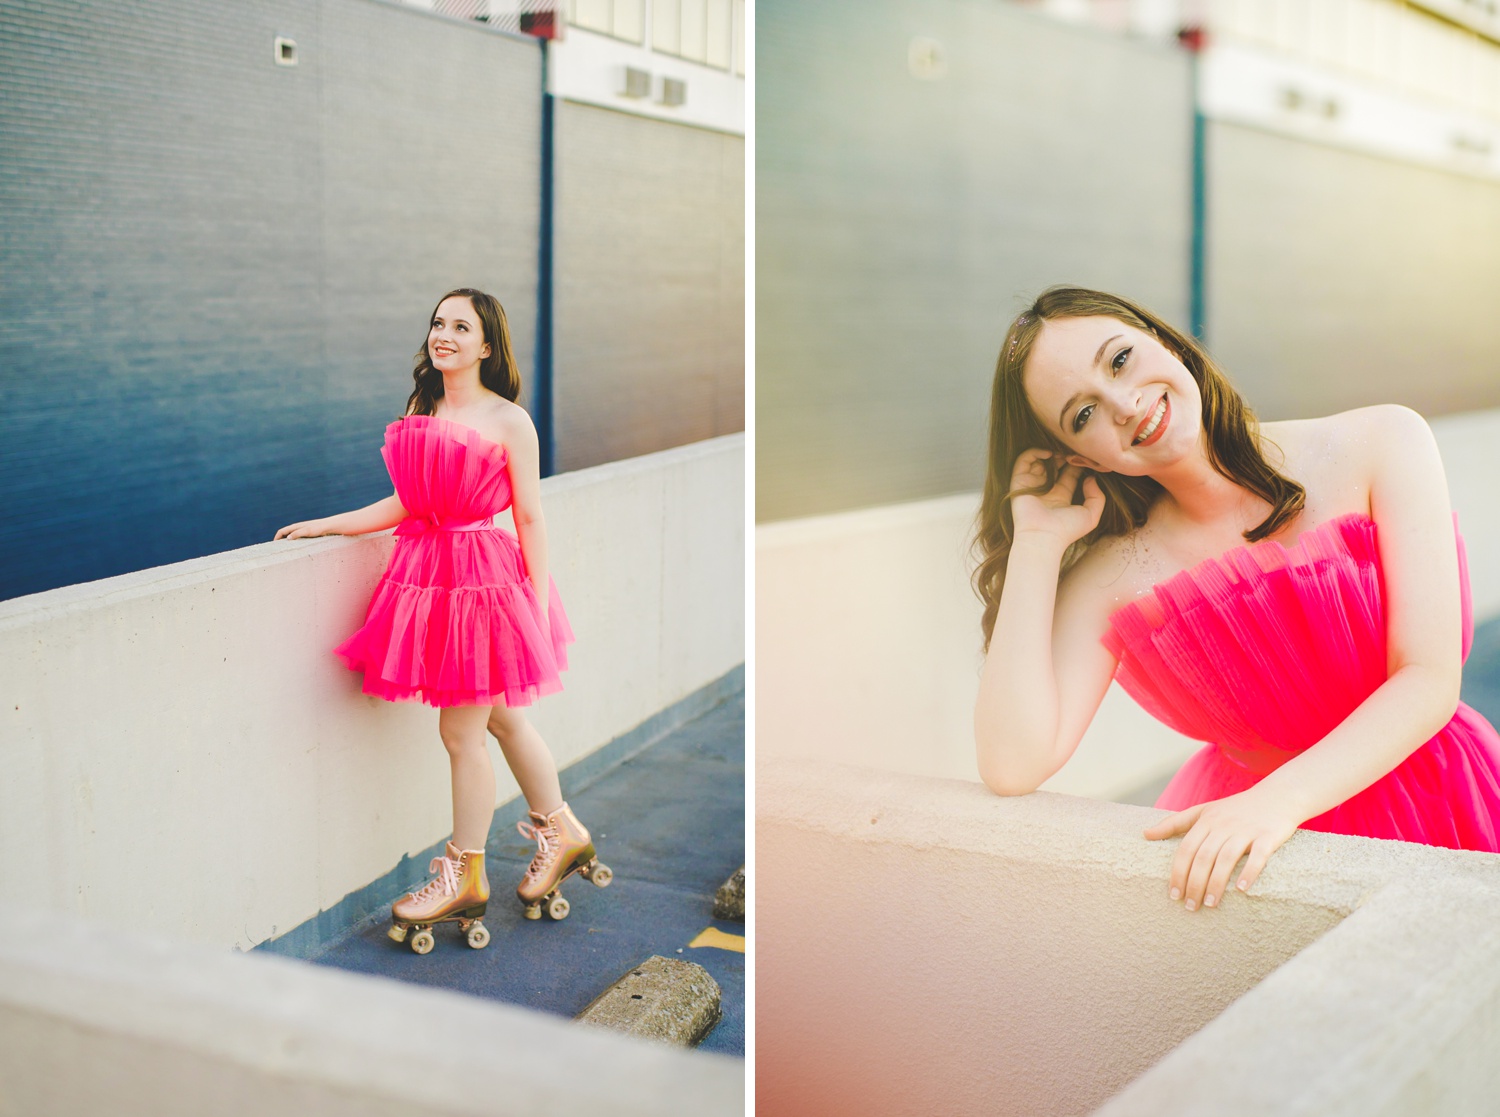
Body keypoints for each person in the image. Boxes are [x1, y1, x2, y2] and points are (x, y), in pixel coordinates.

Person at [972, 286, 1500, 914]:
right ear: (1078, 456)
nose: (1123, 403)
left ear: (1161, 339)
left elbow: (1429, 677)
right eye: (1082, 415)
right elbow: (1012, 764)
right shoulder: (1115, 576)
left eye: (1119, 361)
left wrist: (1276, 802)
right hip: (1251, 854)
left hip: (1433, 797)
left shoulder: (1381, 442)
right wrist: (1035, 542)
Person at [275, 287, 611, 955]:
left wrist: (538, 604)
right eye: (438, 322)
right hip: (430, 574)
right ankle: (562, 829)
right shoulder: (424, 406)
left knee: (462, 730)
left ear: (487, 345)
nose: (444, 334)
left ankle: (465, 869)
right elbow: (406, 501)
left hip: (484, 580)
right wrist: (328, 524)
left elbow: (530, 516)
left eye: (462, 326)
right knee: (502, 718)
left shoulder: (510, 420)